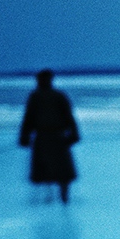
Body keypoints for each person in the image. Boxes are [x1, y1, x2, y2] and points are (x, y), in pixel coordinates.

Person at [18, 70, 80, 203]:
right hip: (43, 136)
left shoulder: (59, 96)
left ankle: (64, 197)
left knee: (63, 171)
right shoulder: (35, 97)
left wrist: (74, 134)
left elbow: (69, 116)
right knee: (44, 169)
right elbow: (28, 118)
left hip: (58, 137)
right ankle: (49, 197)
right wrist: (24, 136)